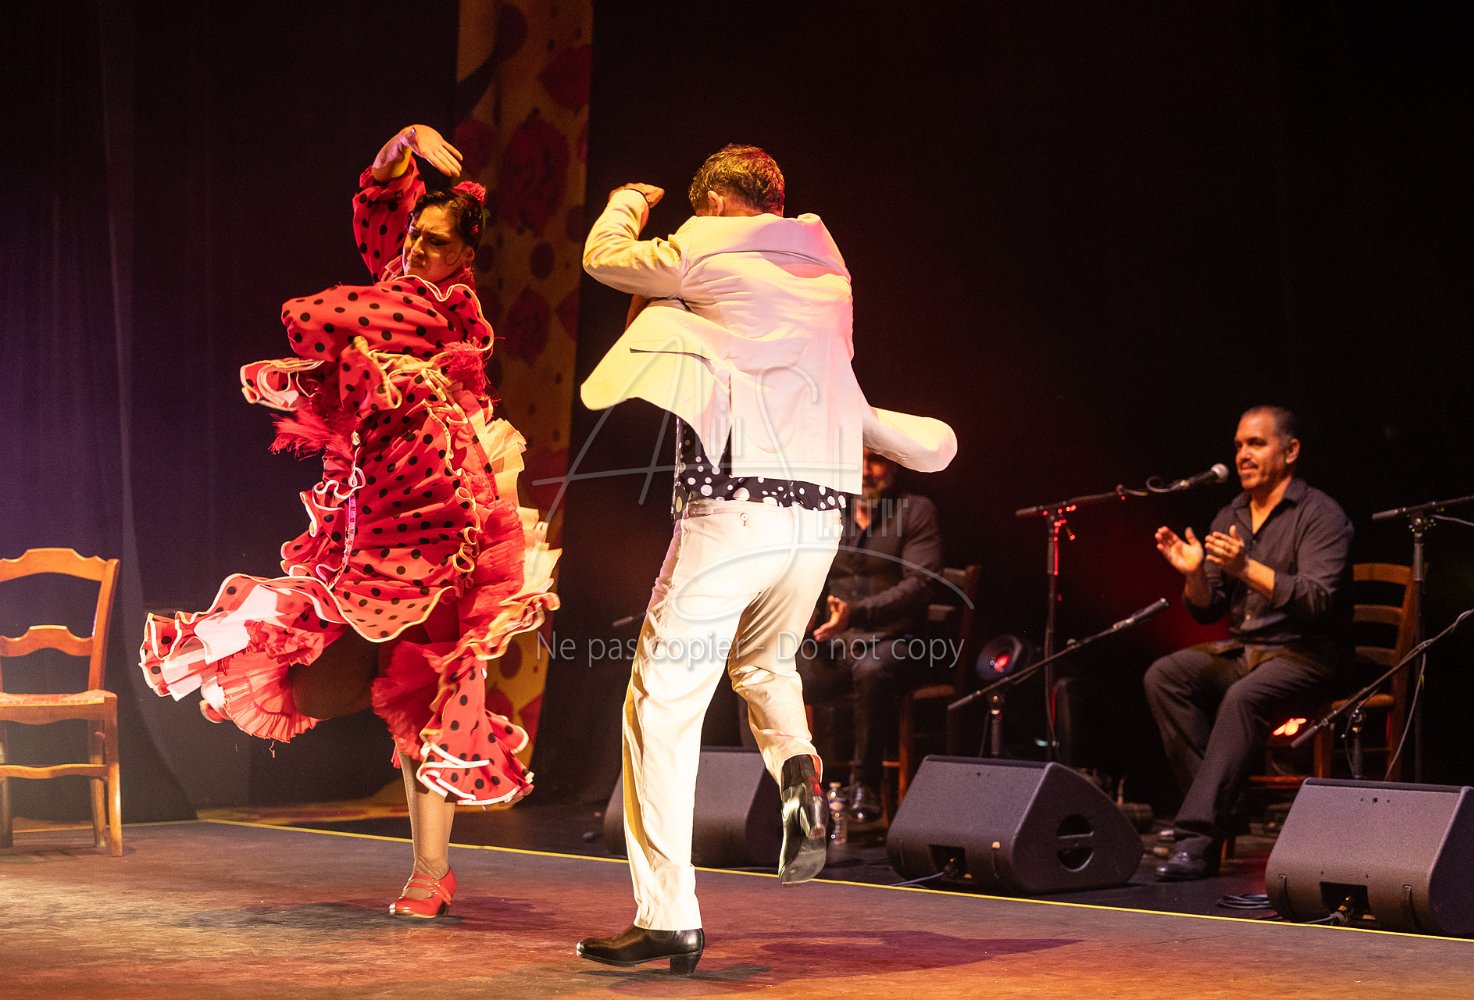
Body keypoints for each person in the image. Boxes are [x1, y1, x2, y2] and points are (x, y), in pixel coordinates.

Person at [139, 124, 559, 917]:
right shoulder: (401, 281)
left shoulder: (447, 310)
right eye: (415, 236)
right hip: (369, 521)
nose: (417, 250)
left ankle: (430, 872)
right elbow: (378, 223)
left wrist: (339, 355)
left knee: (429, 692)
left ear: (465, 255)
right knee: (314, 681)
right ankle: (360, 685)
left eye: (435, 243)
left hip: (435, 526)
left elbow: (323, 320)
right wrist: (396, 153)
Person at [573, 145, 955, 974]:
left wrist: (627, 201)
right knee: (767, 665)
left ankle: (668, 915)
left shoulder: (706, 243)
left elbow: (604, 259)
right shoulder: (830, 271)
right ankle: (797, 766)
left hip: (733, 508)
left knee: (662, 706)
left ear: (715, 201)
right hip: (819, 518)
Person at [1145, 405, 1352, 880]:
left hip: (1307, 654)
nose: (1242, 454)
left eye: (1256, 443)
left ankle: (1198, 837)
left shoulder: (1321, 515)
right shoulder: (1231, 513)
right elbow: (1208, 609)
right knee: (1165, 676)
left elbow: (1318, 600)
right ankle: (1223, 808)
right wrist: (1194, 573)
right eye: (1239, 445)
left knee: (1243, 697)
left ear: (1290, 450)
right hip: (1247, 652)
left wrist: (1245, 567)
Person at [797, 448, 943, 822]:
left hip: (899, 642)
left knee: (872, 669)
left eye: (875, 460)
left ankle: (866, 784)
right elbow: (809, 574)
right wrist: (806, 614)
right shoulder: (830, 511)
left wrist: (855, 613)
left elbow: (920, 584)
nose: (865, 471)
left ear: (893, 463)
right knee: (772, 668)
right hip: (837, 645)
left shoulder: (914, 510)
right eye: (858, 460)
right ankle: (790, 788)